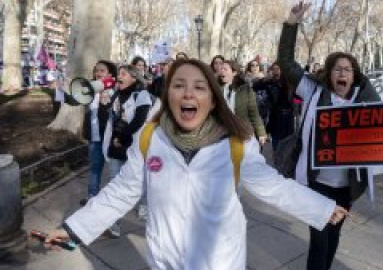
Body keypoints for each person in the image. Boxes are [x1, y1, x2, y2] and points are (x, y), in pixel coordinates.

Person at [44, 58, 349, 269]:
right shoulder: (150, 138)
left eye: (199, 87)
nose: (188, 92)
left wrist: (320, 207)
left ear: (213, 99)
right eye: (179, 85)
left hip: (220, 261)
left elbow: (273, 186)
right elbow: (122, 191)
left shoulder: (236, 142)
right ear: (168, 94)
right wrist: (74, 230)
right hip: (166, 259)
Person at [277, 2, 383, 269]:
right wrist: (291, 24)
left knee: (333, 236)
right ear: (329, 74)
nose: (342, 73)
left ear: (354, 76)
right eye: (337, 68)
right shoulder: (312, 91)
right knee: (319, 239)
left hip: (347, 186)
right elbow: (285, 61)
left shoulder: (366, 101)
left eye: (348, 69)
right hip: (316, 182)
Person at [102, 64, 153, 235]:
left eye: (123, 74)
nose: (119, 76)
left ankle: (145, 208)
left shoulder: (141, 94)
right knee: (115, 186)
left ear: (133, 77)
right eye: (118, 74)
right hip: (115, 147)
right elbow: (109, 119)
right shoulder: (115, 94)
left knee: (139, 183)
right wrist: (104, 105)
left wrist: (121, 138)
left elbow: (139, 120)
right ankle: (113, 224)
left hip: (132, 147)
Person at [78, 60, 118, 208]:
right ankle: (92, 197)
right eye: (97, 70)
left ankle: (112, 200)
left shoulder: (114, 92)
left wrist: (104, 101)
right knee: (95, 168)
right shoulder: (90, 90)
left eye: (102, 70)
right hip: (94, 137)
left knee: (115, 171)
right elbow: (76, 101)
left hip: (109, 137)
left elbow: (108, 115)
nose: (98, 73)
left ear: (109, 74)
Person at [219, 60, 268, 146]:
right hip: (222, 134)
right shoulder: (217, 89)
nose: (222, 71)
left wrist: (261, 133)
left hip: (241, 132)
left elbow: (254, 113)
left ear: (234, 73)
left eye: (225, 69)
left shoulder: (245, 90)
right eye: (221, 69)